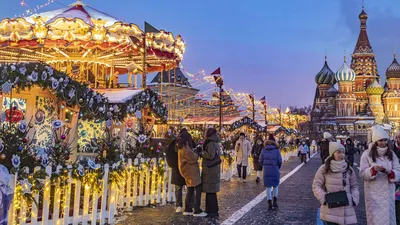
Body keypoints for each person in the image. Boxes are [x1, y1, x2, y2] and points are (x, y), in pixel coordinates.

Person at [360, 125, 400, 225]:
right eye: (381, 140)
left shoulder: (391, 154)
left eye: (385, 140)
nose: (383, 143)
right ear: (375, 141)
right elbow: (362, 173)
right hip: (373, 194)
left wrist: (390, 172)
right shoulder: (367, 154)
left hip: (388, 193)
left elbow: (398, 171)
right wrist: (373, 170)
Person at [312, 142, 359, 225]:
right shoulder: (324, 168)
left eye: (343, 152)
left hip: (347, 209)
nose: (342, 155)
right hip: (330, 209)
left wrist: (353, 198)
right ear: (332, 154)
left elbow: (354, 186)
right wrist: (324, 198)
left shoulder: (348, 168)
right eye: (339, 152)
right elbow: (316, 185)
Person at [177, 129, 207, 217]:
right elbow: (193, 158)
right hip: (191, 172)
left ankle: (188, 208)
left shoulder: (181, 146)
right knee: (197, 188)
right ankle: (197, 209)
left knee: (190, 190)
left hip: (187, 171)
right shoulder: (184, 147)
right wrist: (197, 152)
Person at [165, 127, 187, 213]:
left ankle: (179, 206)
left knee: (178, 188)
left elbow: (169, 155)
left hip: (177, 168)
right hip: (185, 168)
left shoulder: (174, 143)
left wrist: (174, 165)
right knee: (189, 188)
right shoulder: (186, 142)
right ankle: (188, 206)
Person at [200, 128, 221, 218]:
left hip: (210, 171)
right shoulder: (215, 142)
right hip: (212, 171)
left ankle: (212, 211)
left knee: (211, 192)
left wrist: (202, 153)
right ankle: (211, 210)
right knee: (210, 192)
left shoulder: (211, 143)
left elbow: (211, 155)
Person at [259, 139, 282, 210]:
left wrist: (264, 166)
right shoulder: (277, 150)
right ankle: (275, 201)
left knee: (268, 187)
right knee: (275, 186)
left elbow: (260, 160)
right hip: (275, 170)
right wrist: (278, 167)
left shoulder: (264, 150)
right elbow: (280, 161)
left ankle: (269, 203)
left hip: (267, 170)